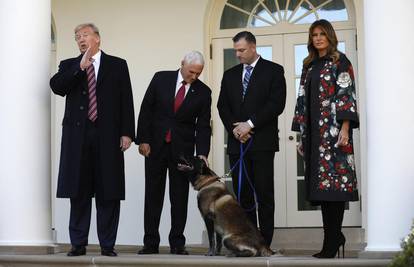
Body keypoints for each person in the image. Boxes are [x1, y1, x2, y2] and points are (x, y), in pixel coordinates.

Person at [50, 23, 135, 257]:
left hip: (108, 136)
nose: (80, 39)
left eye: (85, 35)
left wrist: (127, 133)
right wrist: (79, 67)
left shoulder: (117, 65)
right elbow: (57, 86)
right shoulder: (69, 65)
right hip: (78, 137)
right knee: (79, 190)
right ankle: (78, 243)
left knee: (109, 190)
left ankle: (108, 245)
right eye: (77, 37)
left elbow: (126, 100)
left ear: (97, 38)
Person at [292, 19, 359, 258]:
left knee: (335, 189)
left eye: (322, 34)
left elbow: (346, 95)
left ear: (330, 36)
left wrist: (345, 128)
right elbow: (302, 99)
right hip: (313, 137)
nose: (318, 38)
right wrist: (301, 135)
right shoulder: (308, 65)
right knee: (321, 191)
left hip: (334, 135)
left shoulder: (341, 62)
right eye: (314, 34)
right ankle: (331, 239)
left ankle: (333, 240)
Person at [136, 51, 211, 255]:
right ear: (182, 65)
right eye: (191, 72)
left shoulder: (204, 92)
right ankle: (150, 242)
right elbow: (146, 110)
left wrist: (202, 152)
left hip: (183, 152)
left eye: (198, 73)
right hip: (155, 147)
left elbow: (203, 126)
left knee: (179, 197)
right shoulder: (161, 78)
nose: (194, 77)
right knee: (153, 195)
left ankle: (177, 243)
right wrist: (142, 139)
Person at [217, 31, 286, 246]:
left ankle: (264, 243)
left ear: (253, 47)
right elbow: (222, 106)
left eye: (241, 50)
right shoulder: (229, 74)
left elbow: (277, 104)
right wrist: (236, 129)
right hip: (238, 144)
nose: (237, 54)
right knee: (242, 196)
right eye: (235, 50)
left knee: (264, 195)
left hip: (262, 143)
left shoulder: (274, 71)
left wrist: (250, 124)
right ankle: (248, 241)